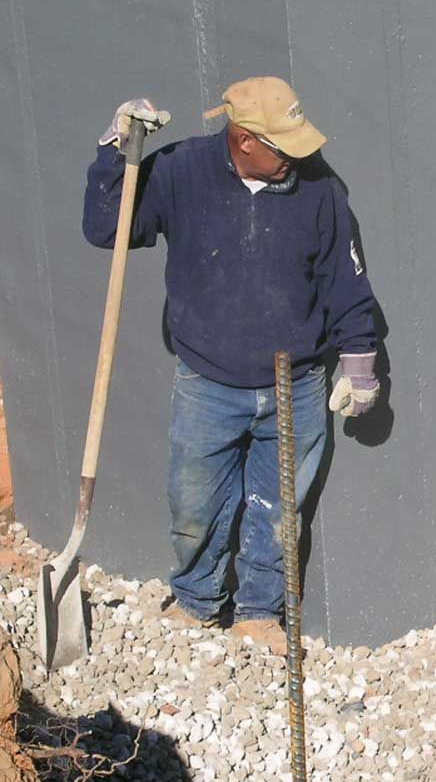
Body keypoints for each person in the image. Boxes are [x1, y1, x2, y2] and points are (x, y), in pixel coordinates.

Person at [82, 76, 382, 656]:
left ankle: (259, 615)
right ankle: (196, 602)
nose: (299, 155)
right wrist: (117, 151)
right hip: (207, 383)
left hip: (295, 383)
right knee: (193, 505)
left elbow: (347, 280)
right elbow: (106, 230)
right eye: (283, 145)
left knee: (279, 509)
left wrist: (360, 363)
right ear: (243, 139)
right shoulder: (180, 171)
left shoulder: (318, 188)